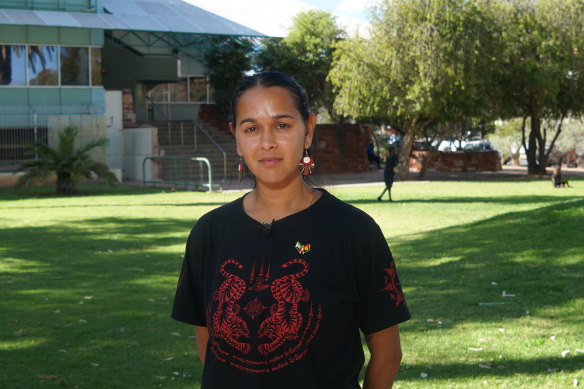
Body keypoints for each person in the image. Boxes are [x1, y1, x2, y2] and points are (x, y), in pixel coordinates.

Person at [171, 71, 410, 389]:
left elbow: (387, 355)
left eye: (282, 125)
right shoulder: (210, 232)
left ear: (308, 130)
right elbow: (211, 347)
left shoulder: (354, 231)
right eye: (252, 128)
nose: (267, 142)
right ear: (237, 138)